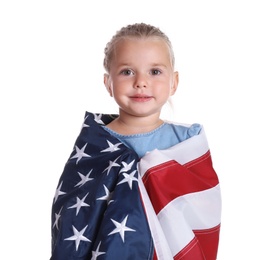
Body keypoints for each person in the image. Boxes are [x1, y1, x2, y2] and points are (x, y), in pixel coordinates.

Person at [50, 23, 221, 260]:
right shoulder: (94, 142)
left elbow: (203, 207)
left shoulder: (187, 142)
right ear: (108, 83)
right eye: (127, 71)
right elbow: (71, 209)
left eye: (155, 71)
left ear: (174, 82)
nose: (141, 82)